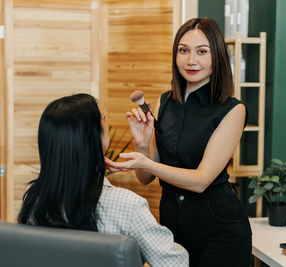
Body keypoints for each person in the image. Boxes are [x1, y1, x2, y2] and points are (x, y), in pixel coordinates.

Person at [105, 18, 252, 267]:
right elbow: (145, 178)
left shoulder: (233, 110)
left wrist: (148, 164)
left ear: (217, 57)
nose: (191, 60)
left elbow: (202, 180)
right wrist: (142, 143)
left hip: (220, 233)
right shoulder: (165, 102)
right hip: (173, 230)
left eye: (202, 52)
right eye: (183, 50)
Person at [18, 93, 188, 267]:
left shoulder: (34, 199)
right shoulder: (126, 205)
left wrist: (142, 146)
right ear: (94, 137)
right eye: (104, 119)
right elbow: (175, 263)